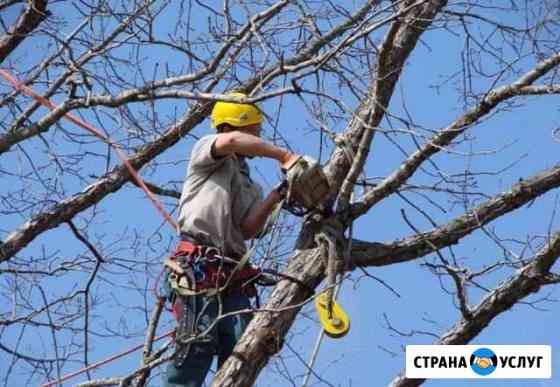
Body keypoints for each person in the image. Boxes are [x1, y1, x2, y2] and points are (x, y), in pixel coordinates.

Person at [164, 93, 299, 387]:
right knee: (198, 342)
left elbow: (248, 228)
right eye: (255, 130)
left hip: (231, 276)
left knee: (243, 348)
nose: (259, 137)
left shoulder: (249, 184)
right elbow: (230, 143)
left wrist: (278, 194)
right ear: (236, 126)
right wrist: (283, 156)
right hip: (197, 266)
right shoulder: (207, 152)